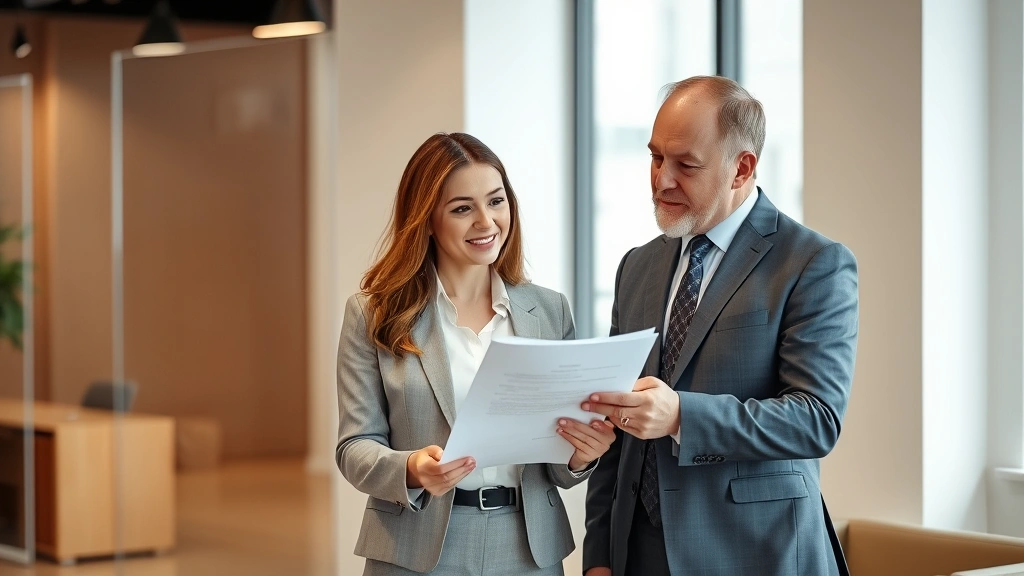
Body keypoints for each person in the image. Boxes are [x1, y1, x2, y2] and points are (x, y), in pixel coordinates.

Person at [581, 76, 858, 576]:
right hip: (636, 553)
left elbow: (817, 418)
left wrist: (681, 416)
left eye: (685, 165)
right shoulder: (637, 267)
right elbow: (615, 419)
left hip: (754, 552)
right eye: (655, 157)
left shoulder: (813, 263)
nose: (661, 180)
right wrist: (599, 554)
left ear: (742, 168)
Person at [336, 132, 616, 576]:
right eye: (462, 208)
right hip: (416, 545)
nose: (486, 222)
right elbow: (354, 447)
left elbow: (558, 462)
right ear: (427, 219)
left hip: (527, 547)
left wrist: (583, 454)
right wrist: (410, 468)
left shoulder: (548, 310)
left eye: (496, 201)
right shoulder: (373, 313)